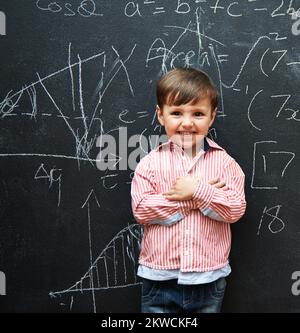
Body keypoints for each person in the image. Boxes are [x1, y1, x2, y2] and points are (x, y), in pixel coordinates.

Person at [131, 68, 246, 313]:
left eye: (197, 113)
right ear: (161, 115)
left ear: (212, 116)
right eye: (176, 113)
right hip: (158, 280)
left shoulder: (225, 164)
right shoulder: (149, 163)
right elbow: (142, 210)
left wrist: (197, 190)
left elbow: (235, 209)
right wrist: (196, 198)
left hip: (208, 279)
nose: (186, 122)